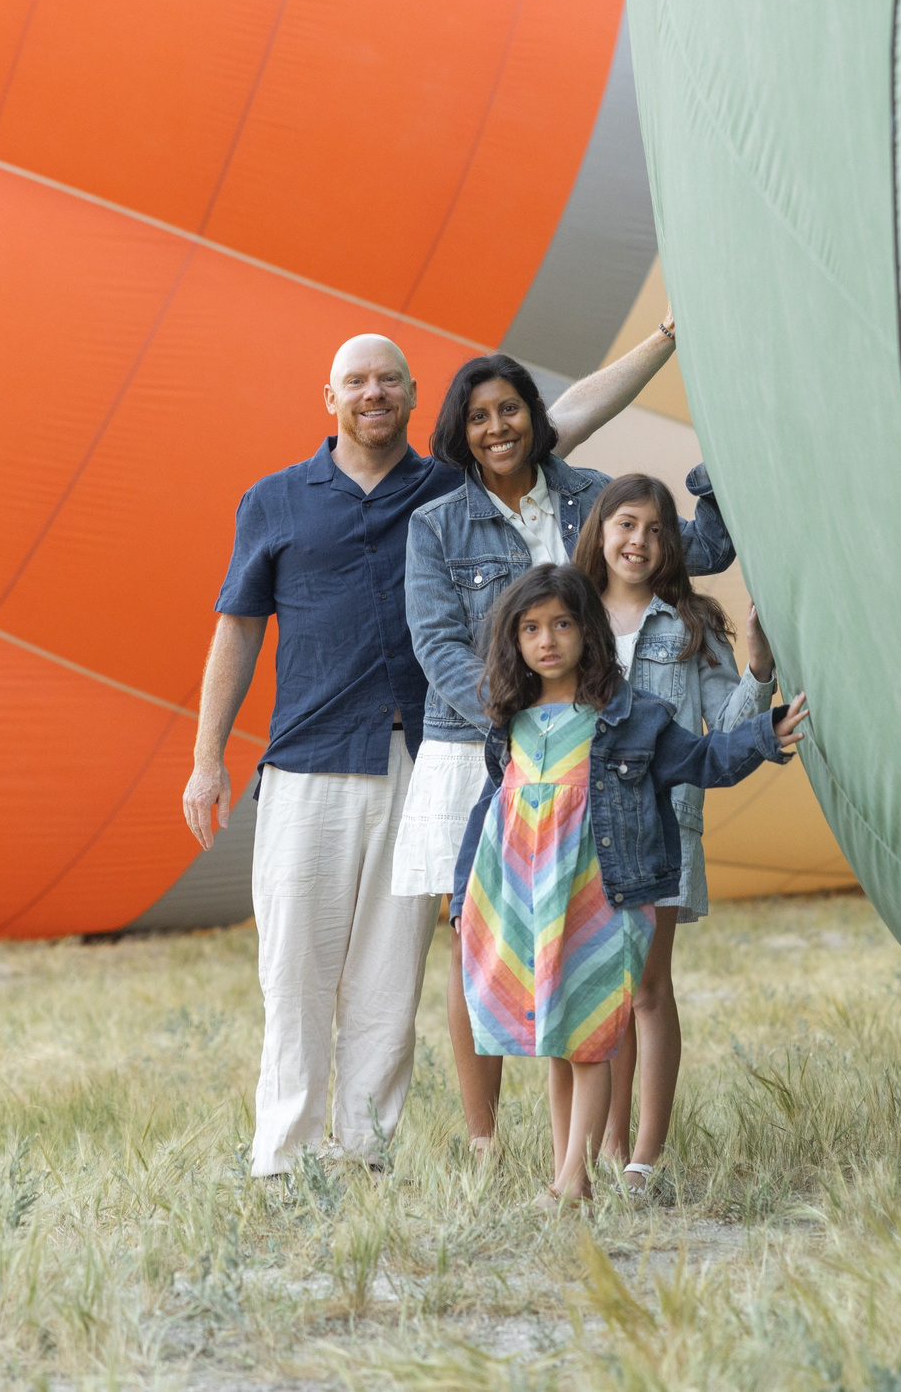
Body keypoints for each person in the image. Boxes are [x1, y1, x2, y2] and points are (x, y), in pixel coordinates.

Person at [180, 327, 678, 1179]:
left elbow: (560, 420)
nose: (373, 394)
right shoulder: (275, 499)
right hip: (309, 758)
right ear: (328, 398)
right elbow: (235, 625)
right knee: (294, 968)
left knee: (388, 978)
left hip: (419, 758)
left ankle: (368, 1151)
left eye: (390, 381)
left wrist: (665, 341)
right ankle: (285, 1154)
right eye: (356, 382)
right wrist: (206, 756)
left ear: (414, 398)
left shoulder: (450, 487)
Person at [397, 350, 736, 1154]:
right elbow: (438, 643)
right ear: (460, 431)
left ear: (536, 416)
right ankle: (485, 1139)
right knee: (478, 937)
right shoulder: (436, 524)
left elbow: (694, 552)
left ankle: (600, 1149)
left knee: (586, 940)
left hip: (596, 750)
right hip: (485, 745)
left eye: (510, 409)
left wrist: (720, 461)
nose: (496, 427)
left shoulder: (589, 494)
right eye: (478, 416)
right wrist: (515, 713)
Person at [448, 564, 807, 1204]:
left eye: (562, 623)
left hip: (602, 899)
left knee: (588, 1041)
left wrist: (763, 735)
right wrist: (462, 897)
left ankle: (571, 1181)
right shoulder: (511, 723)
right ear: (514, 641)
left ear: (588, 631)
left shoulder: (629, 719)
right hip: (532, 903)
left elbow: (699, 761)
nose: (547, 639)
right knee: (559, 1045)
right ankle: (570, 1173)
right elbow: (489, 810)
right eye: (531, 628)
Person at [573, 474, 780, 1195]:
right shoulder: (569, 618)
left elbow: (725, 725)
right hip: (579, 825)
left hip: (662, 825)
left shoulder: (690, 625)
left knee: (647, 989)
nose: (640, 541)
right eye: (626, 524)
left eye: (658, 529)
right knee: (597, 989)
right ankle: (601, 1143)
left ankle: (642, 1160)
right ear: (599, 532)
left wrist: (758, 665)